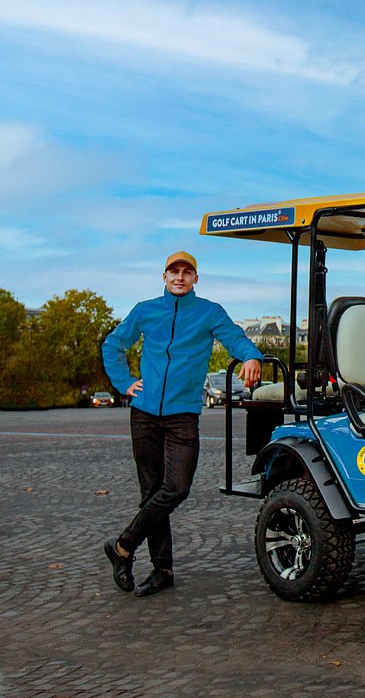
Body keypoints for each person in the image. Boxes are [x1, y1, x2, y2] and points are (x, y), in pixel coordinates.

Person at [101, 251, 262, 597]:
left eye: (186, 272)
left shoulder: (209, 312)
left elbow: (235, 337)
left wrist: (251, 355)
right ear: (164, 276)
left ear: (195, 279)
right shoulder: (145, 310)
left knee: (176, 488)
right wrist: (124, 382)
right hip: (143, 413)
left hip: (182, 415)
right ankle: (162, 570)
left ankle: (122, 546)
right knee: (151, 492)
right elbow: (114, 344)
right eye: (174, 272)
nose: (179, 277)